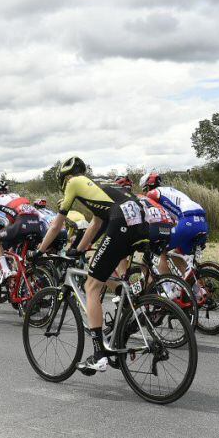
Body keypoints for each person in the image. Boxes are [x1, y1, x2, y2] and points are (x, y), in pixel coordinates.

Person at [37, 156, 148, 374]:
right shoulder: (99, 186)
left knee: (91, 285)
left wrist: (39, 251)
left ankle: (99, 355)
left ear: (65, 177)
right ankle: (129, 315)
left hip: (122, 222)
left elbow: (57, 223)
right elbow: (97, 223)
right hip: (140, 222)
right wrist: (79, 249)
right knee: (105, 273)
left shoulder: (73, 182)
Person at [139, 172, 209, 275]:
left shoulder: (153, 193)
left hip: (187, 220)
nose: (145, 193)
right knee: (177, 252)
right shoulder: (171, 191)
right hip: (202, 222)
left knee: (159, 250)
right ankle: (198, 289)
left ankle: (166, 288)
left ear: (148, 186)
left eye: (144, 190)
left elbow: (159, 218)